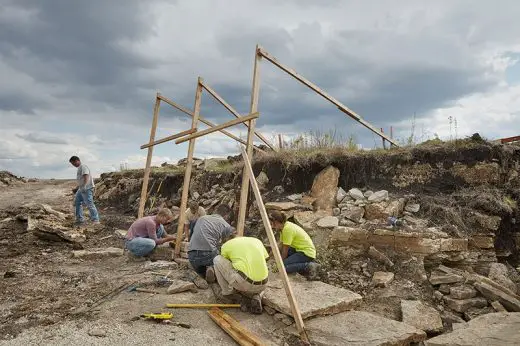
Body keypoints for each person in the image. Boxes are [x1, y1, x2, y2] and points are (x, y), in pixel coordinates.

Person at [213, 236, 269, 314]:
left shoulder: (226, 245)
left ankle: (227, 293)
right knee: (258, 272)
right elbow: (266, 259)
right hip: (264, 284)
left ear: (226, 239)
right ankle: (257, 295)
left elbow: (227, 261)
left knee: (217, 259)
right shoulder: (257, 240)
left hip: (245, 284)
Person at [188, 204, 234, 282]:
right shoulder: (226, 226)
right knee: (219, 256)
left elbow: (191, 236)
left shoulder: (201, 219)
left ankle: (202, 273)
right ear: (227, 216)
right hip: (209, 255)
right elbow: (225, 246)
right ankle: (212, 268)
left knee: (200, 271)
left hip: (192, 256)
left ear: (216, 211)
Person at [269, 210, 320, 279]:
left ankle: (309, 266)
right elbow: (280, 245)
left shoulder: (287, 229)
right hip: (298, 250)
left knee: (283, 268)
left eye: (272, 224)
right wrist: (269, 256)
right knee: (281, 255)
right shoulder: (283, 227)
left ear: (276, 222)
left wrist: (280, 264)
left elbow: (285, 249)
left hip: (306, 253)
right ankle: (298, 264)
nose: (272, 227)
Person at [69, 156, 100, 225]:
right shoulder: (79, 168)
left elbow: (86, 176)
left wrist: (85, 186)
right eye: (72, 164)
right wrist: (77, 188)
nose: (73, 165)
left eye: (73, 163)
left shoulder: (83, 166)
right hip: (81, 189)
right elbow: (81, 180)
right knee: (77, 202)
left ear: (77, 160)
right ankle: (80, 219)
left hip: (87, 188)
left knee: (89, 203)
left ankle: (96, 220)